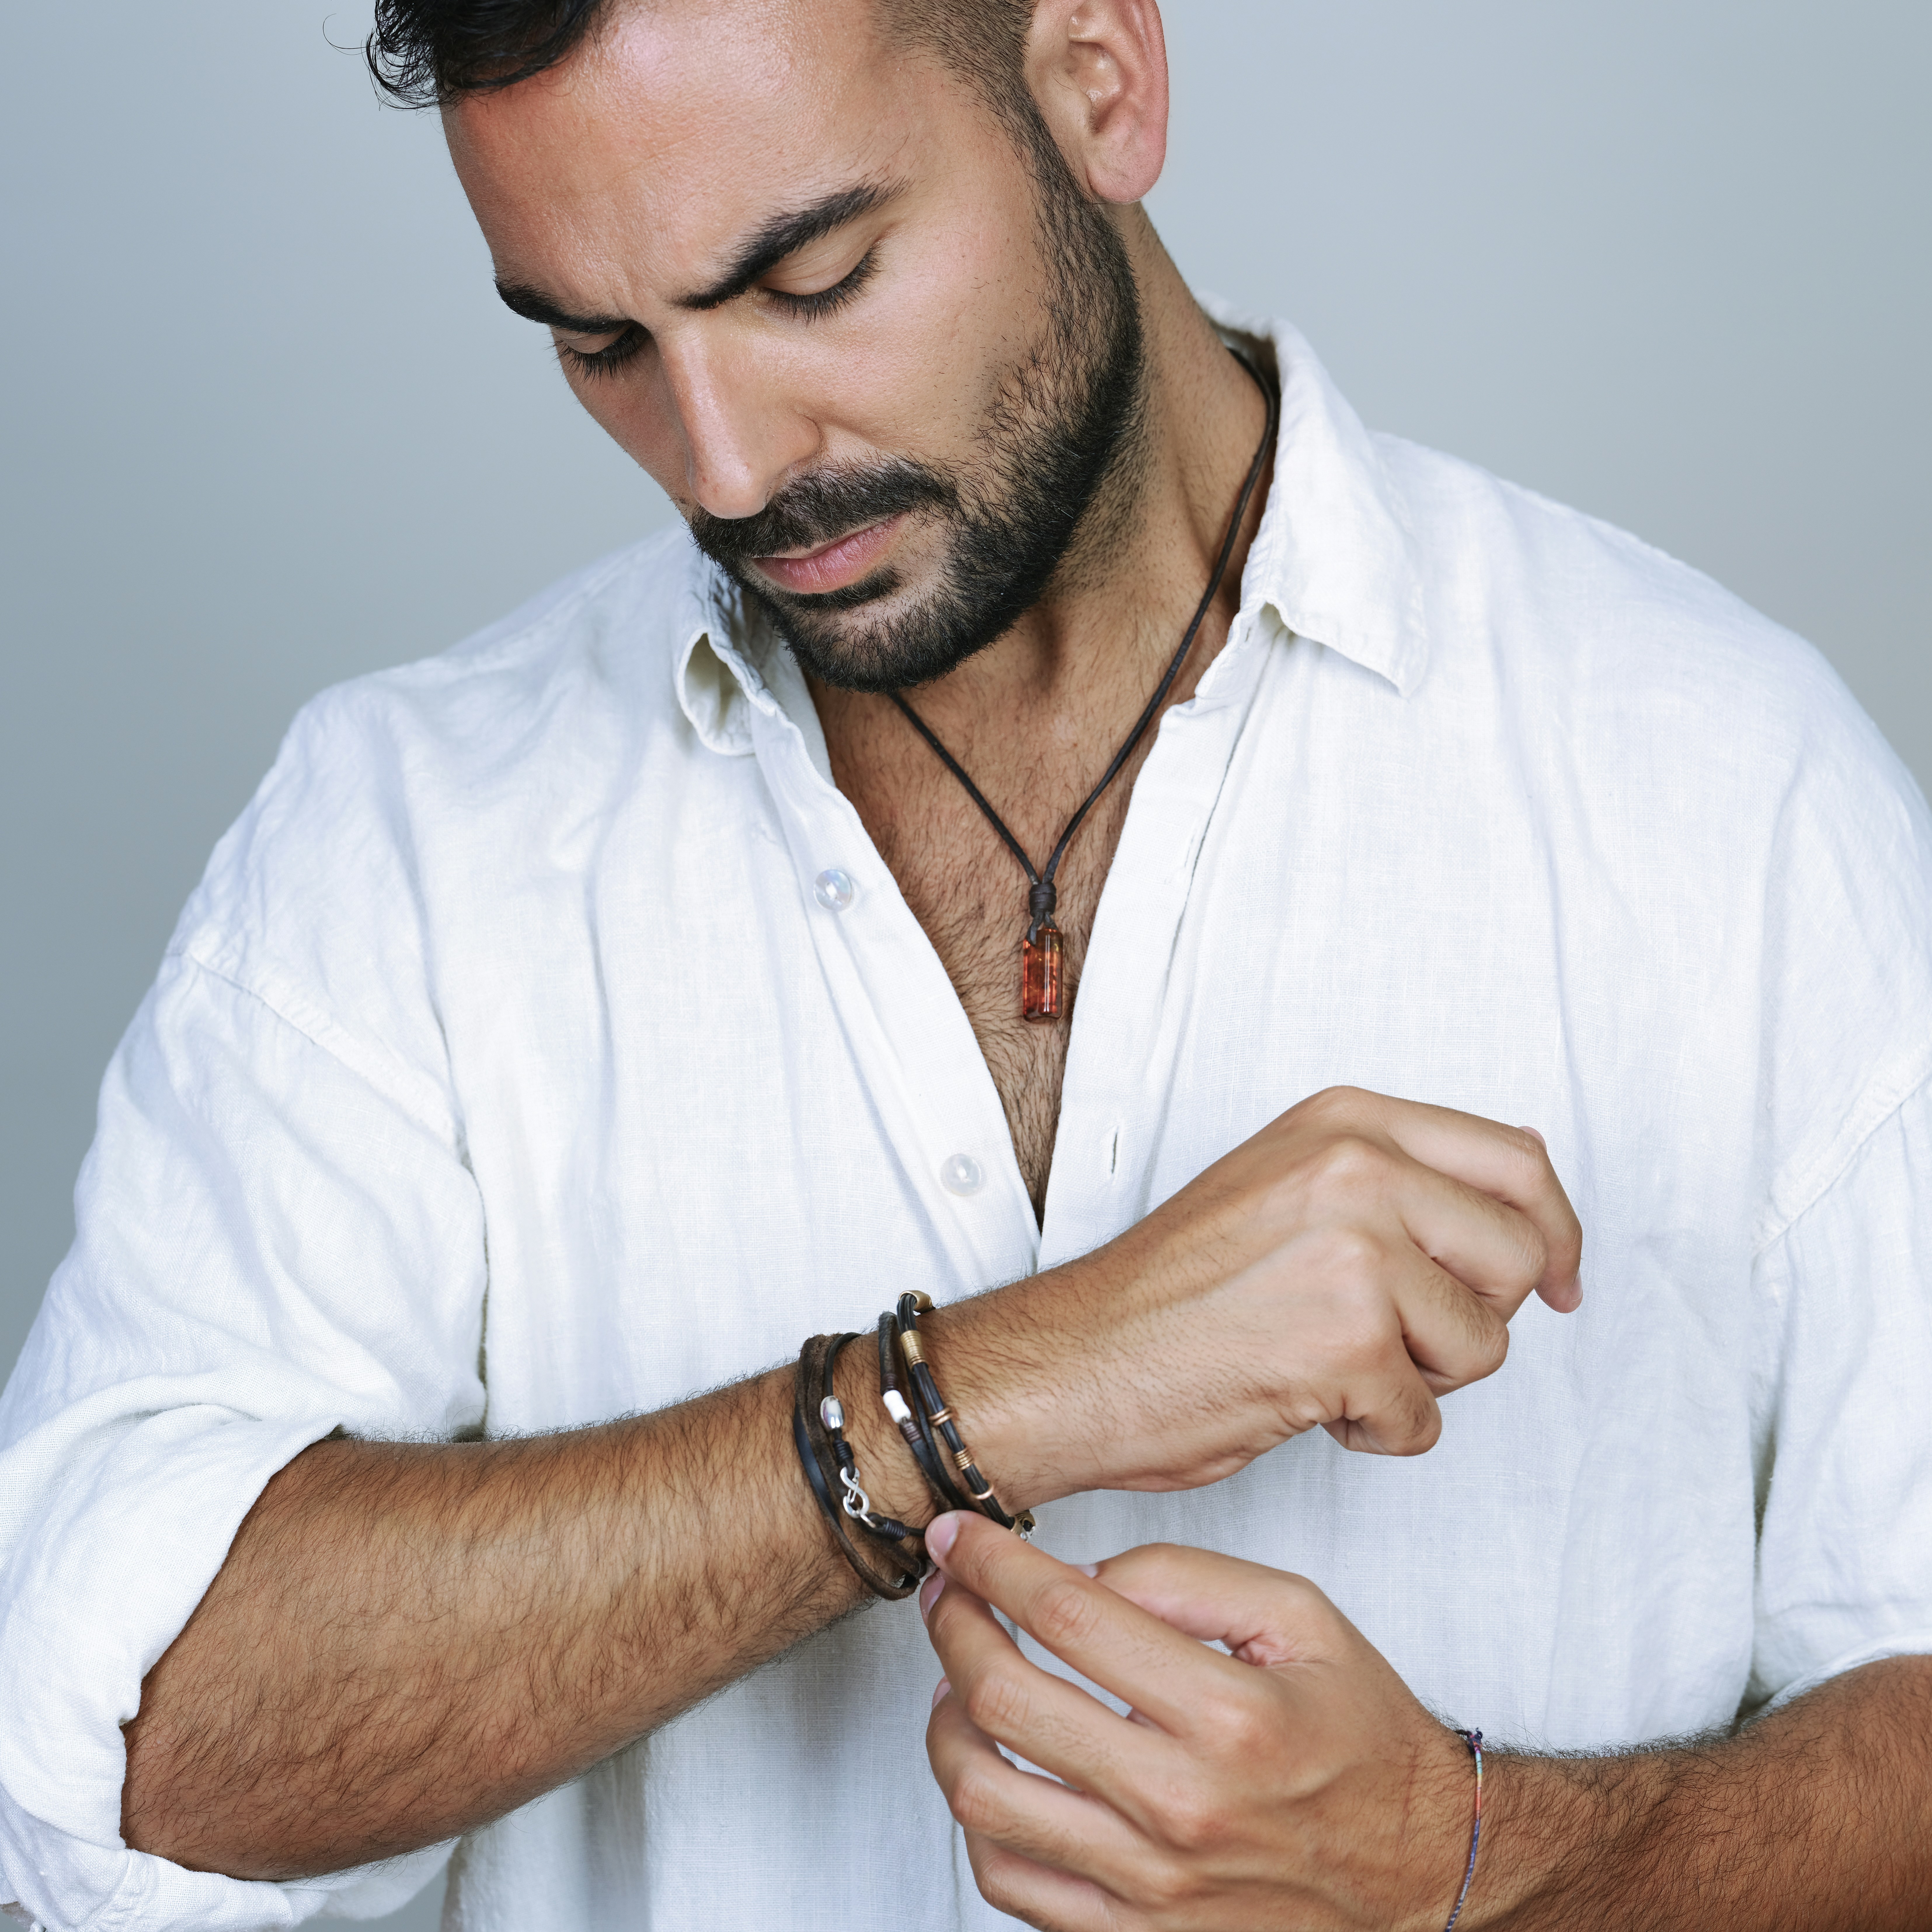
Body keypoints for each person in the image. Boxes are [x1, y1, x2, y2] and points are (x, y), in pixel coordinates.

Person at [1, 0, 1928, 1926]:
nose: (730, 464)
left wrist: (1462, 1862)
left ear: (1097, 78)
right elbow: (112, 1747)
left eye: (814, 281)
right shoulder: (403, 841)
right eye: (604, 346)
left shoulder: (1727, 787)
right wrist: (980, 1400)